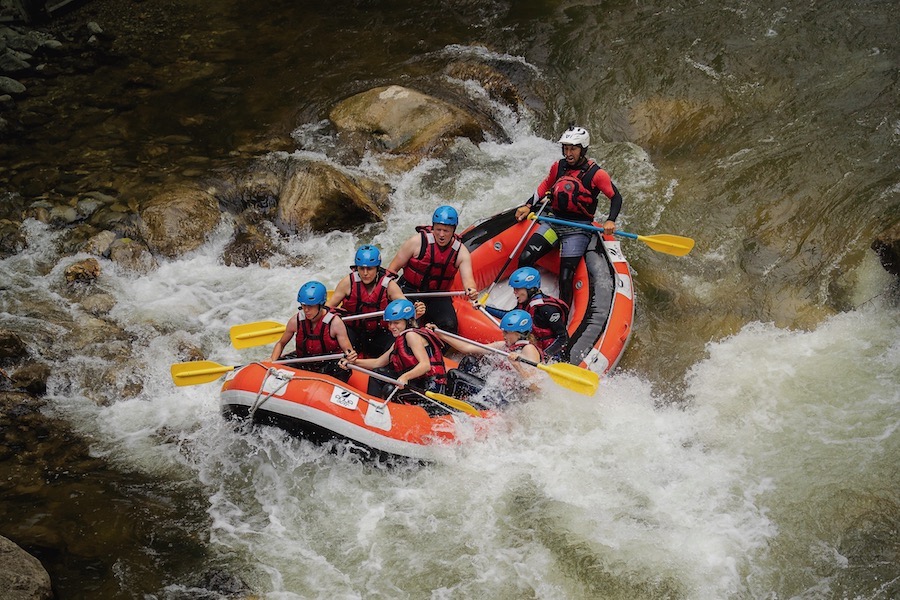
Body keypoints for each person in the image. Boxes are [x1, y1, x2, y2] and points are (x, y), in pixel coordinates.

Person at [513, 125, 623, 308]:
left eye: (573, 148)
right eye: (566, 148)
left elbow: (616, 197)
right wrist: (527, 205)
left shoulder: (597, 174)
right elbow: (544, 186)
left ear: (583, 149)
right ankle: (525, 303)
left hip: (578, 230)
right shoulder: (559, 166)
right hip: (554, 223)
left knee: (566, 276)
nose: (568, 153)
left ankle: (561, 315)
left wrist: (611, 220)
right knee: (526, 257)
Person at [387, 205, 479, 333]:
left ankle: (435, 350)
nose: (441, 235)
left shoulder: (460, 252)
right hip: (409, 291)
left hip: (437, 294)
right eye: (438, 229)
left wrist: (472, 291)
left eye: (446, 231)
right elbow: (392, 271)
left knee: (449, 325)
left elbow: (468, 281)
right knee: (406, 323)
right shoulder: (417, 242)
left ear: (453, 230)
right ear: (433, 227)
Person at [342, 299, 447, 401]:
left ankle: (392, 414)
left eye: (396, 323)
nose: (391, 327)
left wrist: (405, 377)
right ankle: (372, 404)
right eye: (390, 323)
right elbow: (377, 363)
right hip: (417, 380)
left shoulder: (412, 335)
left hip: (431, 386)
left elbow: (425, 365)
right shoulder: (400, 339)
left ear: (408, 321)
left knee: (390, 389)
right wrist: (352, 362)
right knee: (378, 373)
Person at [431, 309, 543, 403]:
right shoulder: (504, 345)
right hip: (495, 387)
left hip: (504, 399)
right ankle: (462, 399)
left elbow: (535, 386)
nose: (503, 335)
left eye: (507, 332)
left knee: (454, 375)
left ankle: (442, 404)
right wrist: (440, 334)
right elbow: (468, 348)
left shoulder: (529, 350)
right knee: (469, 360)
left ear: (519, 333)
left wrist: (517, 366)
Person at [327, 244, 412, 358]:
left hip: (380, 332)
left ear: (377, 268)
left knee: (397, 342)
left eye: (370, 268)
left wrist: (416, 310)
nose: (365, 273)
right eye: (361, 268)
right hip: (353, 331)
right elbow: (327, 310)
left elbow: (406, 307)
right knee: (335, 335)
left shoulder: (388, 285)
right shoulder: (348, 283)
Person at [270, 280, 357, 382]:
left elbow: (348, 351)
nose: (306, 310)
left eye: (310, 306)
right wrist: (272, 360)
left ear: (320, 305)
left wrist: (350, 357)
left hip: (328, 365)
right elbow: (281, 343)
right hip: (304, 362)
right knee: (280, 365)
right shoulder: (295, 321)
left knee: (342, 369)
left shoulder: (335, 323)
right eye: (303, 305)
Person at [485, 266, 570, 362]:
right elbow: (510, 317)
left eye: (517, 289)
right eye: (514, 289)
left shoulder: (548, 309)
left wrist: (546, 356)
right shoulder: (524, 303)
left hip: (553, 354)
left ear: (530, 288)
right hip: (536, 349)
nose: (514, 293)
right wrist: (485, 308)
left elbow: (563, 338)